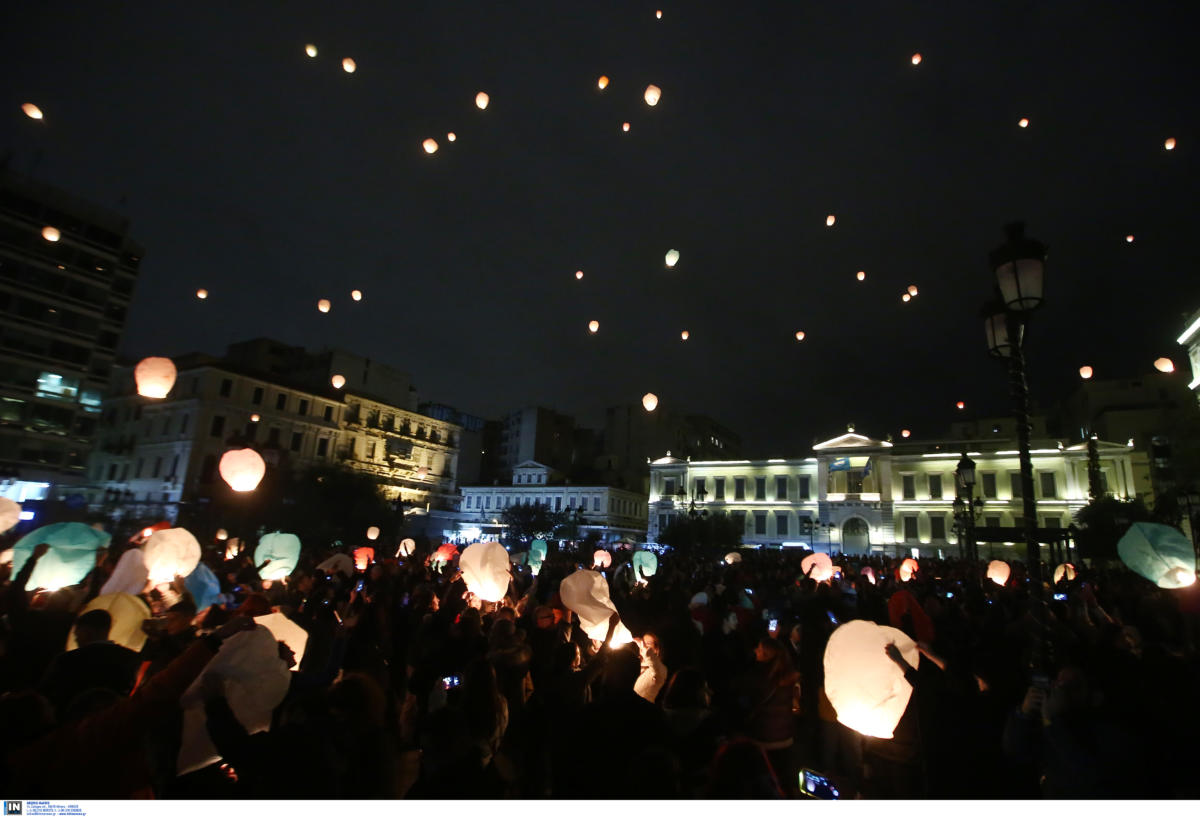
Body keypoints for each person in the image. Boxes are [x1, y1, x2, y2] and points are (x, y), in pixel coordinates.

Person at [40, 608, 143, 715]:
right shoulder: (131, 658)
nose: (76, 639)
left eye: (77, 634)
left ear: (87, 630)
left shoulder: (68, 659)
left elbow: (47, 694)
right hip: (108, 720)